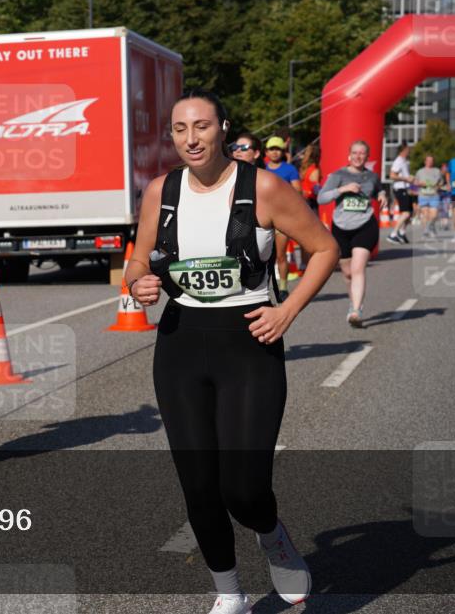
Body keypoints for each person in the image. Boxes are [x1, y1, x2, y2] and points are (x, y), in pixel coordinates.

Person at [126, 88, 338, 614]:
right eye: (179, 129)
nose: (190, 138)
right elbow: (137, 262)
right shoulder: (160, 191)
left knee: (243, 489)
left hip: (248, 343)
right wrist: (140, 284)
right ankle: (230, 595)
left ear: (222, 128)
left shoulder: (262, 187)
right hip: (179, 343)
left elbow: (325, 248)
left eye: (201, 126)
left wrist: (286, 310)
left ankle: (270, 532)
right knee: (199, 486)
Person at [317, 140, 387, 327]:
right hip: (341, 227)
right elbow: (321, 198)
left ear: (366, 156)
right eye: (355, 153)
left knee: (358, 268)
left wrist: (382, 196)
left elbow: (379, 190)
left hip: (365, 225)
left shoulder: (372, 176)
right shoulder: (338, 175)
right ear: (349, 155)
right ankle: (354, 302)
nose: (358, 156)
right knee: (347, 273)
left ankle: (356, 310)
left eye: (362, 153)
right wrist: (343, 189)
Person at [264, 136, 302, 298]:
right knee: (262, 256)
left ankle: (283, 288)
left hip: (282, 218)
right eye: (271, 149)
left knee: (280, 255)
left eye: (277, 149)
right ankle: (262, 289)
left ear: (283, 151)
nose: (274, 152)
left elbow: (298, 191)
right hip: (263, 218)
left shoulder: (289, 169)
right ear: (266, 152)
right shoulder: (262, 169)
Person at [387, 142, 413, 244]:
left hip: (405, 188)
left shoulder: (404, 161)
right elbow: (392, 175)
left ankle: (402, 232)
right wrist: (405, 179)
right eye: (408, 149)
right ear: (403, 150)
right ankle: (393, 234)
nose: (409, 151)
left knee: (410, 213)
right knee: (406, 213)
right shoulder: (398, 161)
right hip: (400, 189)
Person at [414, 155, 442, 238]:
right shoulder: (420, 171)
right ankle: (426, 230)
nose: (430, 162)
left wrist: (438, 186)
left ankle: (431, 227)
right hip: (423, 195)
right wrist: (419, 184)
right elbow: (415, 183)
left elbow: (441, 182)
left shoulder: (437, 171)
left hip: (434, 195)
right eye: (428, 160)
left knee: (434, 215)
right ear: (425, 161)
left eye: (431, 160)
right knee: (425, 214)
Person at [299, 144, 321, 212]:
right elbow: (316, 189)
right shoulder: (315, 170)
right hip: (311, 201)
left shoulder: (304, 168)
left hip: (302, 199)